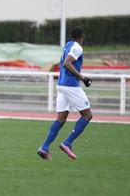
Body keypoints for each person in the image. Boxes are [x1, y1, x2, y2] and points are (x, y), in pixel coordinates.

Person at [37, 27, 93, 160]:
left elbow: (64, 62)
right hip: (70, 85)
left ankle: (44, 148)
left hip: (61, 85)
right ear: (82, 37)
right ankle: (67, 143)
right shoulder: (78, 47)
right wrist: (83, 78)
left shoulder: (68, 44)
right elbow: (67, 63)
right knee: (87, 115)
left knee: (61, 118)